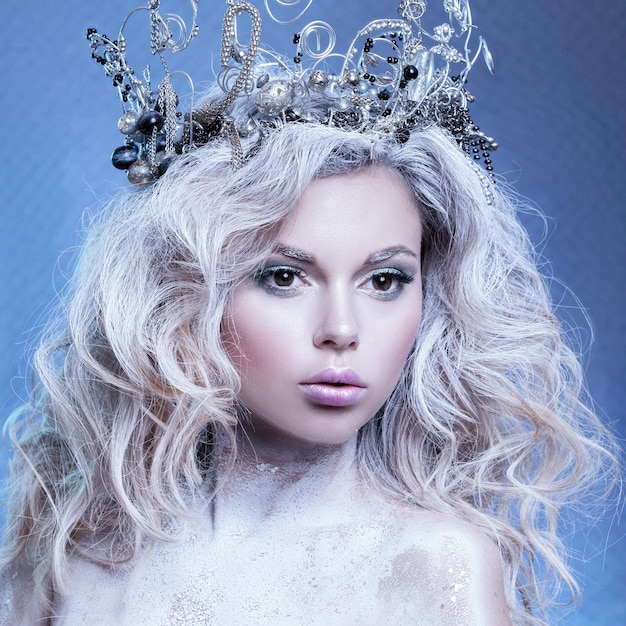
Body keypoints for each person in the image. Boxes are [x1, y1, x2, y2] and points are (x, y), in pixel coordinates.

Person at [0, 1, 618, 624]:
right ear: (185, 293)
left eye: (385, 280)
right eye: (284, 276)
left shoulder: (435, 569)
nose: (342, 330)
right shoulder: (73, 569)